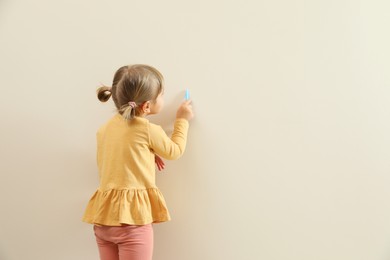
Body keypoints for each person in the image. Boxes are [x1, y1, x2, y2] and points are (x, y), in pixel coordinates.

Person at [82, 64, 194, 260]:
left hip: (103, 220)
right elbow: (175, 151)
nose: (163, 98)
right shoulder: (148, 130)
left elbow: (119, 156)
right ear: (147, 106)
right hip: (132, 222)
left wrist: (147, 153)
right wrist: (182, 120)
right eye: (161, 95)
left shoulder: (104, 130)